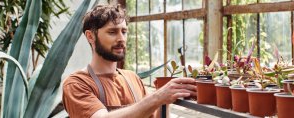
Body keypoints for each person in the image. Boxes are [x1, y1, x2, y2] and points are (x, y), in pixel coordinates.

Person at [62, 4, 196, 118]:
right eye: (112, 32)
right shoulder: (77, 84)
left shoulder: (132, 78)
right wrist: (157, 97)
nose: (121, 39)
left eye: (124, 31)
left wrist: (167, 98)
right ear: (90, 37)